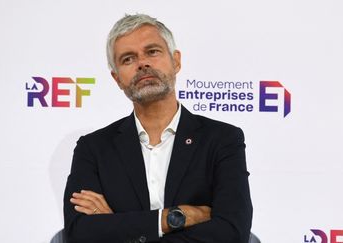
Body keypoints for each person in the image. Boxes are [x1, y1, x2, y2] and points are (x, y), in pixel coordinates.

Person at [63, 14, 253, 243]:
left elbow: (231, 232)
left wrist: (118, 227)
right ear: (117, 79)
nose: (142, 63)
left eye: (152, 51)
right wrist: (174, 218)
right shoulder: (93, 148)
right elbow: (80, 233)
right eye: (128, 59)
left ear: (176, 61)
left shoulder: (222, 139)